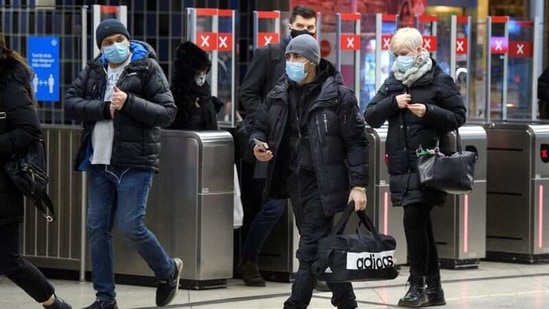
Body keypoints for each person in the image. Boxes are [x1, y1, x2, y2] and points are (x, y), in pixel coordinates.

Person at [64, 19, 181, 309]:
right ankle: (105, 299)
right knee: (97, 229)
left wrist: (129, 102)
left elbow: (167, 112)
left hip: (135, 163)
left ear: (128, 40)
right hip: (99, 162)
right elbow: (70, 103)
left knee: (130, 225)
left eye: (120, 39)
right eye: (108, 42)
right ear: (100, 47)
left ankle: (167, 270)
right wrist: (104, 109)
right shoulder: (94, 69)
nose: (115, 45)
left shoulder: (147, 67)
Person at [250, 34, 369, 309]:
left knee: (309, 247)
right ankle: (346, 300)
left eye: (298, 57)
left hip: (324, 181)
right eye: (289, 56)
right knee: (322, 242)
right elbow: (259, 127)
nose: (291, 62)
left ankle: (295, 304)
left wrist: (359, 185)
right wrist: (258, 144)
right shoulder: (279, 93)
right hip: (293, 181)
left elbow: (356, 142)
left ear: (313, 62)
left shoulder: (338, 96)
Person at [364, 27, 466, 307]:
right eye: (396, 55)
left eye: (404, 54)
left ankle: (416, 284)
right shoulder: (394, 82)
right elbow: (370, 116)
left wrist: (429, 111)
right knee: (422, 225)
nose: (400, 60)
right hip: (401, 165)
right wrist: (393, 103)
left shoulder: (438, 80)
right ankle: (434, 289)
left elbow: (459, 116)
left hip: (429, 165)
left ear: (420, 51)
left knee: (413, 220)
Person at [238, 5, 324, 288]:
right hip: (272, 144)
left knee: (311, 208)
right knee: (272, 206)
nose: (306, 32)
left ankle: (313, 269)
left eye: (311, 28)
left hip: (302, 146)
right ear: (290, 27)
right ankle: (249, 259)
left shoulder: (316, 62)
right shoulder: (270, 55)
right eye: (301, 26)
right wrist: (263, 123)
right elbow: (247, 93)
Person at [0, 32, 72, 309]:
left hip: (3, 189)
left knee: (9, 260)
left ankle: (53, 302)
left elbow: (30, 130)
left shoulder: (8, 81)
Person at [168, 41, 224, 130]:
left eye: (204, 72)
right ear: (190, 73)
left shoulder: (205, 91)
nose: (202, 76)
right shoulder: (178, 95)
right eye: (198, 72)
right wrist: (195, 111)